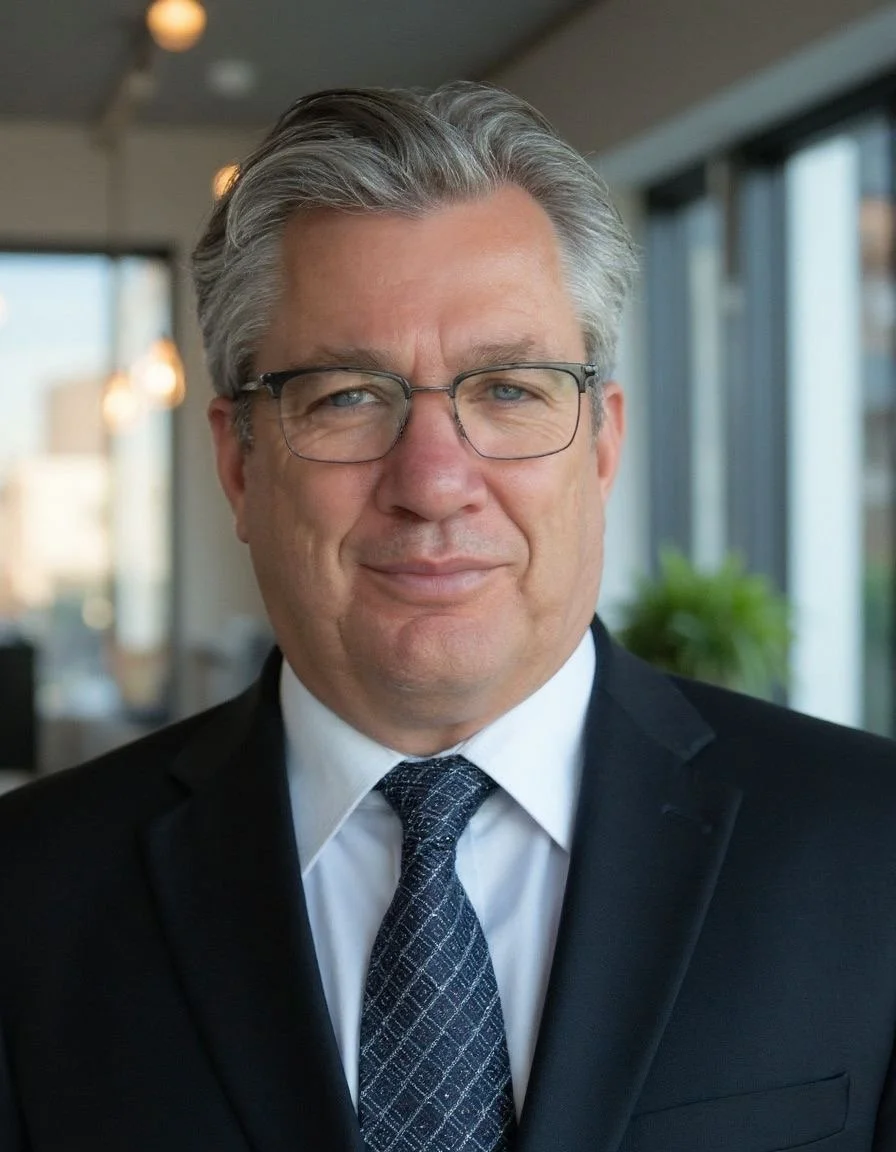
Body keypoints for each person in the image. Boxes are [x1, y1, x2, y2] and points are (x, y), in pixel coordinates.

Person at [1, 82, 895, 1152]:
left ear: (600, 444)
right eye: (345, 395)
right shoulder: (29, 896)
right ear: (239, 462)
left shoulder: (869, 847)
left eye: (509, 390)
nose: (432, 482)